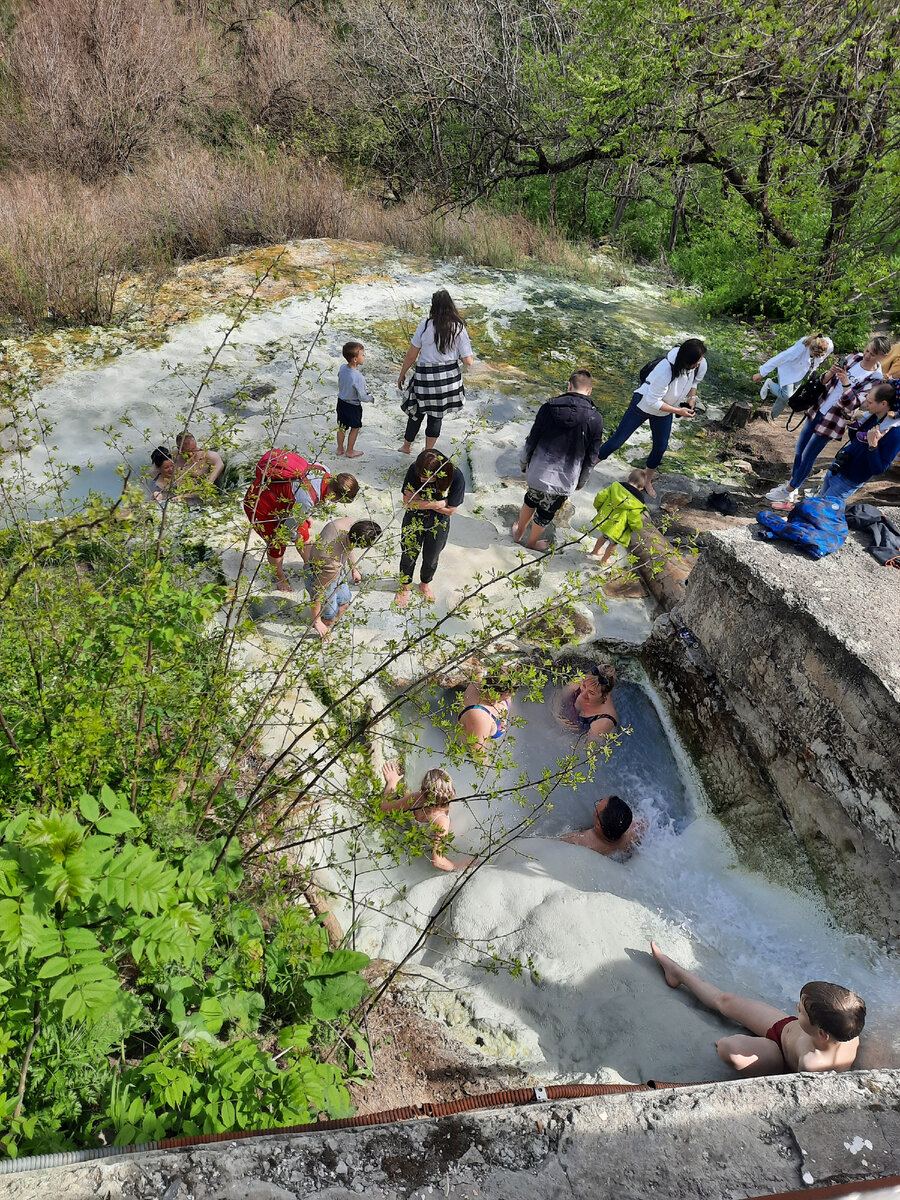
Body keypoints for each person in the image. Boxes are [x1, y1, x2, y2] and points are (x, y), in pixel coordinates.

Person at [650, 942, 865, 1075]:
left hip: (779, 1057)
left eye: (802, 1011)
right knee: (727, 1000)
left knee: (727, 1048)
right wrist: (798, 1019)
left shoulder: (812, 1063)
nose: (797, 1007)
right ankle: (676, 973)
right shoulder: (848, 1026)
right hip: (786, 1029)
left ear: (822, 1033)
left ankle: (744, 1050)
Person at [766, 336, 890, 504]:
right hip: (819, 407)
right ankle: (792, 485)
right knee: (799, 450)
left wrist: (846, 383)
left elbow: (854, 404)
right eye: (867, 350)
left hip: (834, 420)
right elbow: (824, 382)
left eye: (873, 354)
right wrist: (830, 373)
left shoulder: (875, 379)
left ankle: (790, 489)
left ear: (883, 356)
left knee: (809, 455)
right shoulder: (853, 358)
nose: (867, 356)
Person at [594, 339, 706, 498]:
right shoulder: (665, 369)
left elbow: (694, 382)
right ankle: (587, 467)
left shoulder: (700, 364)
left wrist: (691, 399)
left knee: (660, 447)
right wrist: (678, 411)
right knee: (617, 441)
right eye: (698, 360)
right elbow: (652, 401)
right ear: (687, 362)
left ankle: (647, 480)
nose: (700, 363)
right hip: (643, 405)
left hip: (665, 410)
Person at [243, 449, 359, 593]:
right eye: (338, 500)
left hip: (285, 502)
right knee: (277, 543)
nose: (336, 503)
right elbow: (287, 530)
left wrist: (304, 515)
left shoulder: (324, 470)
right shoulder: (306, 501)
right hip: (261, 504)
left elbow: (302, 495)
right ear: (333, 493)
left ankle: (311, 565)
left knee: (303, 532)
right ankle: (280, 577)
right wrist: (296, 529)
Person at [514, 369, 605, 551]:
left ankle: (519, 532)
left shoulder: (548, 407)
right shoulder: (596, 418)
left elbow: (532, 438)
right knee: (546, 512)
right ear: (589, 391)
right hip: (565, 477)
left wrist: (525, 462)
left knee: (530, 500)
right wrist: (582, 481)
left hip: (539, 470)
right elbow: (591, 456)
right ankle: (531, 543)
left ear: (569, 385)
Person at [397, 290, 475, 453]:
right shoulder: (459, 328)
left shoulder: (425, 325)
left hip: (425, 380)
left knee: (416, 413)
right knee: (436, 416)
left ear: (433, 306)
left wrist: (402, 373)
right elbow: (468, 361)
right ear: (451, 306)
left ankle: (406, 447)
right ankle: (428, 451)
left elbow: (412, 355)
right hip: (448, 382)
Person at [395, 449, 465, 608]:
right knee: (408, 554)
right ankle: (405, 586)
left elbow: (451, 510)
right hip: (413, 518)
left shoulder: (456, 476)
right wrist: (439, 504)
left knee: (432, 557)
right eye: (420, 474)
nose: (421, 478)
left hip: (439, 523)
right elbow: (408, 502)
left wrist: (421, 503)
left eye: (426, 477)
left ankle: (425, 584)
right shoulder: (415, 469)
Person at [380, 762, 475, 871]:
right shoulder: (442, 820)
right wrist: (456, 866)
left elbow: (386, 808)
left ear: (423, 790)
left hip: (410, 838)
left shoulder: (416, 799)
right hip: (424, 848)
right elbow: (437, 860)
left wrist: (392, 782)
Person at [819, 382, 900, 506]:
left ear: (883, 404)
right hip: (838, 467)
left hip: (849, 480)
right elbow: (856, 442)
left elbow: (878, 469)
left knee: (822, 511)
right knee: (818, 504)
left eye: (870, 402)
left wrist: (873, 446)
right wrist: (853, 427)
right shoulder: (873, 417)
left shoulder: (894, 433)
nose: (865, 405)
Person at [304, 516, 382, 638]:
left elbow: (348, 545)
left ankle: (329, 625)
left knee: (344, 603)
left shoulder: (342, 524)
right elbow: (316, 592)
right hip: (320, 576)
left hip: (331, 571)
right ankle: (323, 630)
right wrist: (317, 622)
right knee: (329, 617)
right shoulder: (333, 565)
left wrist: (354, 569)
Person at [754, 335, 834, 419]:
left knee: (786, 399)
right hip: (788, 371)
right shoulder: (800, 348)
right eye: (813, 355)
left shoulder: (828, 346)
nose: (815, 357)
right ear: (810, 348)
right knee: (786, 395)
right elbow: (780, 357)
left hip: (801, 372)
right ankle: (769, 383)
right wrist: (762, 373)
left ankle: (772, 416)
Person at [589, 468, 647, 566]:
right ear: (641, 488)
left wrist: (598, 508)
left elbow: (600, 496)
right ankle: (604, 561)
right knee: (613, 544)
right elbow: (634, 519)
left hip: (606, 521)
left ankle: (595, 552)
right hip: (618, 529)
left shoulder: (615, 487)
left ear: (628, 478)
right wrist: (637, 527)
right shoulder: (638, 502)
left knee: (603, 536)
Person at [560, 795, 644, 856]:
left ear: (598, 824)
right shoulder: (636, 832)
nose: (598, 803)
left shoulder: (577, 841)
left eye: (597, 804)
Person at [556, 664, 619, 742]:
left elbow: (583, 750)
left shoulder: (603, 722)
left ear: (606, 695)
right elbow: (558, 696)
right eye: (584, 686)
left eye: (591, 693)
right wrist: (557, 715)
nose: (583, 694)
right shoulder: (584, 681)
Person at [456, 672, 513, 754]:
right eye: (508, 694)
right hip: (486, 748)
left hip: (499, 742)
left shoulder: (505, 687)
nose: (510, 695)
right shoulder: (480, 717)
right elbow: (478, 756)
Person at [337, 340, 374, 459]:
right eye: (362, 355)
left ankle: (339, 448)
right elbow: (362, 397)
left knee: (342, 427)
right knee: (355, 428)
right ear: (355, 359)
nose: (364, 357)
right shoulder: (358, 377)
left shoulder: (343, 368)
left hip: (341, 402)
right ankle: (350, 451)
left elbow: (342, 381)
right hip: (353, 407)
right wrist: (370, 398)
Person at [173, 431, 225, 501]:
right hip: (179, 492)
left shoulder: (208, 456)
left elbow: (220, 465)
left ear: (195, 444)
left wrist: (183, 496)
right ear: (179, 449)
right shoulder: (174, 456)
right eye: (186, 452)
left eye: (193, 450)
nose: (191, 454)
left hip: (201, 496)